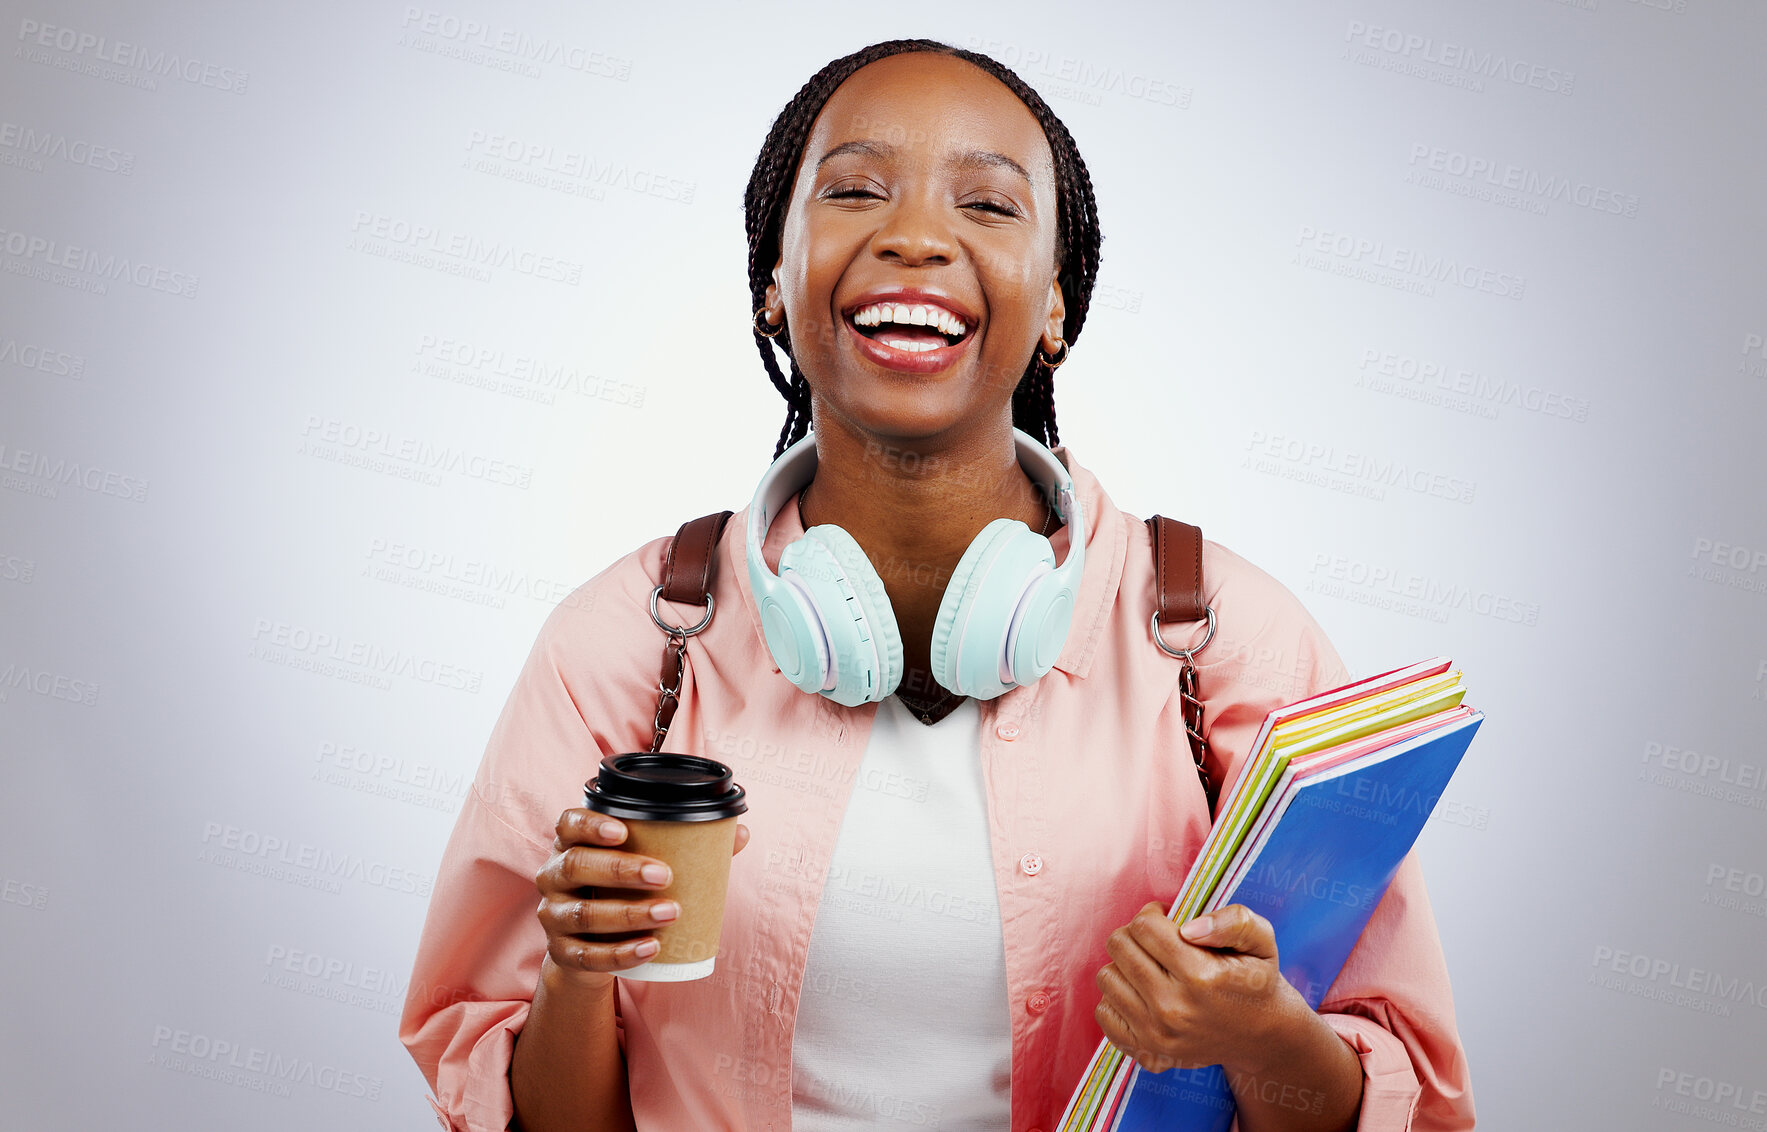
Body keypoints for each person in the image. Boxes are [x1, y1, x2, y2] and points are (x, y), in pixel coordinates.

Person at [400, 39, 1474, 1132]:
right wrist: (578, 975)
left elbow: (1401, 1098)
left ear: (1057, 304)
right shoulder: (627, 647)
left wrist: (1262, 1032)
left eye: (991, 206)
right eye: (856, 190)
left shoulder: (1224, 640)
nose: (915, 236)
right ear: (774, 283)